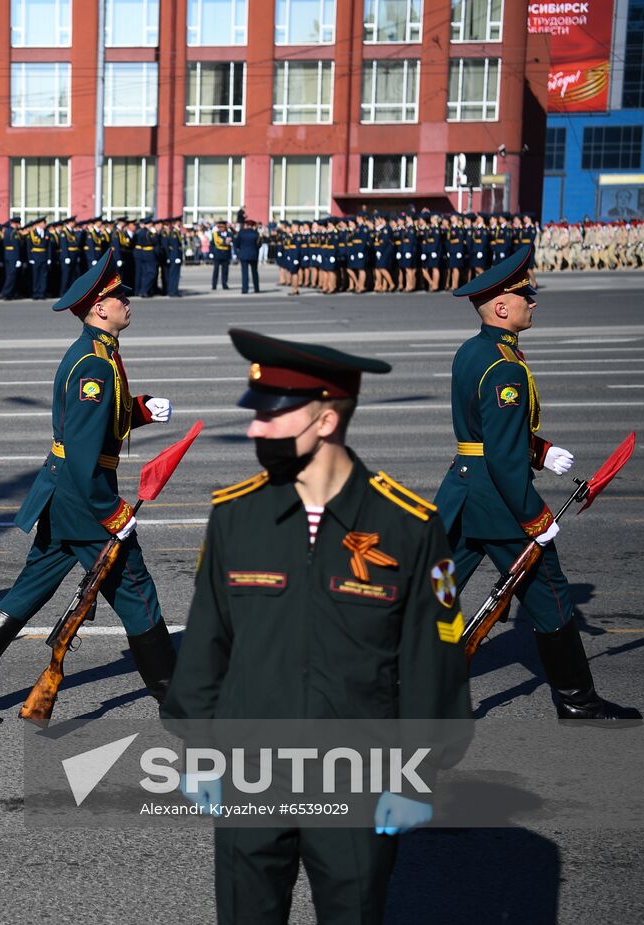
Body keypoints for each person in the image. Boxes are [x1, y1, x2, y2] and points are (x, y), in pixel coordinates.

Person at [162, 328, 471, 925]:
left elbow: (433, 662)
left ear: (325, 421)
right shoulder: (236, 515)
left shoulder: (408, 526)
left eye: (272, 416)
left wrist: (418, 774)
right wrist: (198, 751)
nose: (254, 429)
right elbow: (207, 641)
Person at [0, 250, 177, 725]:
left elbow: (96, 424)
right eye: (119, 296)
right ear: (100, 308)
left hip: (63, 493)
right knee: (135, 588)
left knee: (29, 590)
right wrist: (111, 513)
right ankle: (174, 694)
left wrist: (141, 409)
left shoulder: (99, 353)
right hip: (83, 497)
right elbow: (85, 451)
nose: (129, 301)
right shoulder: (94, 364)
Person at [435, 245, 641, 724]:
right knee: (550, 597)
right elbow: (504, 456)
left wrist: (542, 451)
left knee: (437, 593)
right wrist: (535, 517)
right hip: (500, 506)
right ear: (502, 306)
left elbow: (484, 430)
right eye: (526, 294)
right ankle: (577, 700)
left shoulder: (474, 350)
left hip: (462, 494)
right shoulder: (505, 366)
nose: (534, 301)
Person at [234, 219, 261, 294]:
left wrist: (241, 249)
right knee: (255, 272)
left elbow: (237, 244)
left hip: (244, 254)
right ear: (252, 226)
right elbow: (259, 245)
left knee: (244, 273)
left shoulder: (241, 233)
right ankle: (256, 288)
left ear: (246, 225)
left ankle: (245, 289)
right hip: (253, 255)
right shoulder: (256, 233)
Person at [210, 219, 232, 290]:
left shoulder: (229, 234)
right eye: (220, 227)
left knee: (225, 271)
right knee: (216, 270)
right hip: (217, 254)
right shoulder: (215, 234)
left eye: (223, 227)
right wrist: (212, 253)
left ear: (225, 227)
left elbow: (233, 240)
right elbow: (212, 244)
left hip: (226, 254)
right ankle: (214, 285)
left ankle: (224, 284)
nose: (221, 229)